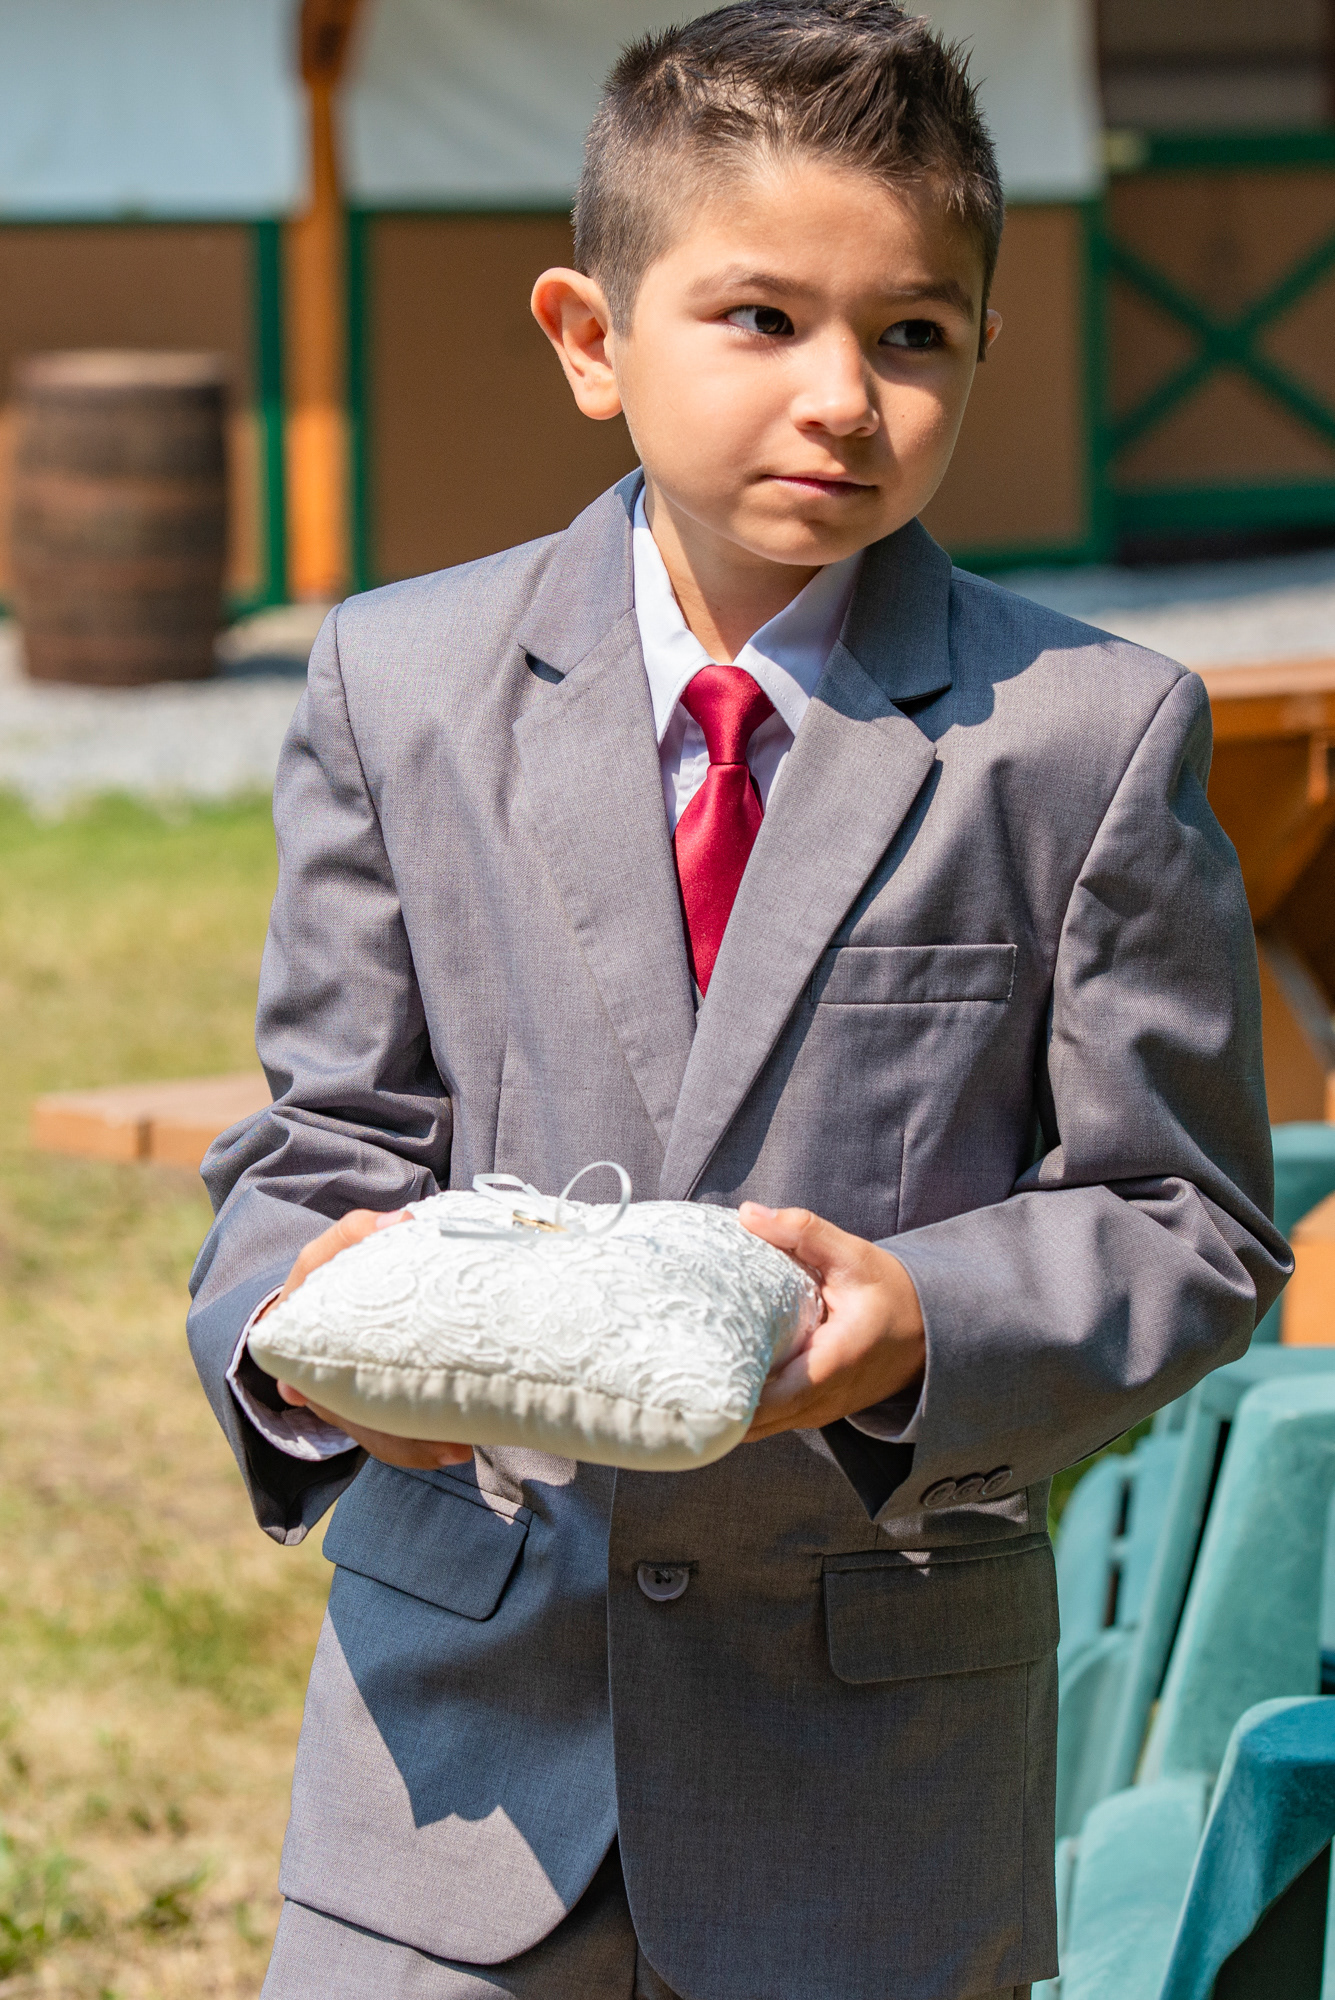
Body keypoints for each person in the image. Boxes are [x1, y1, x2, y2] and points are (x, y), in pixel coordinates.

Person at [187, 5, 1289, 1996]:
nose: (842, 396)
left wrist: (920, 1320)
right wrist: (289, 1336)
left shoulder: (1083, 736)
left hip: (866, 1784)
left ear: (985, 344)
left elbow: (1187, 1220)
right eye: (761, 318)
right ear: (590, 338)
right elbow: (319, 1139)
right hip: (451, 1775)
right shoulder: (395, 684)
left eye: (913, 333)